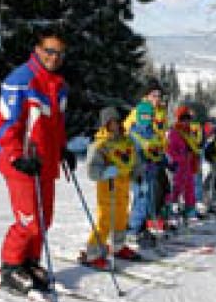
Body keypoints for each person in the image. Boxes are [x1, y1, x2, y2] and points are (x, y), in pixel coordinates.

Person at [0, 29, 76, 293]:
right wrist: (16, 156)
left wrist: (63, 149)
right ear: (38, 50)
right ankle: (10, 266)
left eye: (60, 53)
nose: (55, 57)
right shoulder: (20, 80)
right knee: (29, 220)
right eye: (50, 51)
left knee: (44, 219)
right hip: (22, 163)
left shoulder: (58, 85)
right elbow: (4, 125)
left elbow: (55, 125)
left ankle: (29, 262)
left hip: (45, 163)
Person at [83, 107, 140, 269]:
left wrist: (138, 175)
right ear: (104, 125)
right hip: (108, 187)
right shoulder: (100, 145)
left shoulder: (127, 142)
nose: (114, 125)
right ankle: (93, 252)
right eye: (110, 123)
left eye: (116, 122)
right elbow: (91, 170)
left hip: (123, 187)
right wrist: (105, 172)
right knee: (105, 220)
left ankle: (118, 245)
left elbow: (135, 162)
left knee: (122, 217)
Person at [127, 101, 165, 247]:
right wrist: (142, 164)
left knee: (149, 201)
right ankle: (132, 230)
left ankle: (142, 227)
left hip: (152, 173)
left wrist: (166, 162)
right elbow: (133, 154)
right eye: (143, 115)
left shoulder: (153, 134)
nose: (146, 118)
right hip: (139, 174)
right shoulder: (134, 134)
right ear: (137, 116)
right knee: (140, 202)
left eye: (149, 116)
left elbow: (159, 151)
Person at [167, 106, 199, 223]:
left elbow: (193, 147)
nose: (186, 122)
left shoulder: (189, 132)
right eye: (184, 120)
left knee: (190, 187)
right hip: (179, 165)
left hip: (188, 165)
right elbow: (170, 150)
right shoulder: (174, 132)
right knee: (175, 188)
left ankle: (189, 209)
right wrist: (180, 159)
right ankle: (171, 210)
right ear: (179, 120)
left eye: (188, 120)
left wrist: (193, 156)